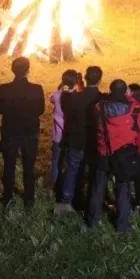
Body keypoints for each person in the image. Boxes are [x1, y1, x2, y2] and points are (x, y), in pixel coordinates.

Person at [89, 80, 140, 234]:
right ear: (125, 92)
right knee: (123, 190)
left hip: (104, 152)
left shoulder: (98, 107)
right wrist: (130, 96)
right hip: (123, 155)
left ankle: (93, 222)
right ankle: (123, 226)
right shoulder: (133, 108)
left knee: (98, 188)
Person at [0, 57, 45, 209]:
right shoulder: (36, 89)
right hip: (29, 131)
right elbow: (40, 110)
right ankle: (29, 199)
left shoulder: (4, 88)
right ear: (28, 70)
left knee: (9, 165)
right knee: (29, 166)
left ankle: (8, 197)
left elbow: (1, 109)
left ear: (12, 70)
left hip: (10, 131)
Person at [55, 65, 102, 213]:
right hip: (94, 141)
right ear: (100, 80)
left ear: (85, 79)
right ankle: (92, 202)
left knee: (73, 169)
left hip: (76, 139)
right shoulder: (103, 98)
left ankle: (66, 200)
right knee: (94, 171)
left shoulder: (74, 97)